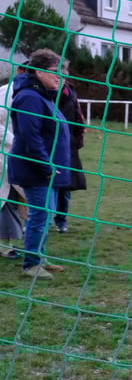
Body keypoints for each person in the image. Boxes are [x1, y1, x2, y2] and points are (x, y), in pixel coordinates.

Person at [8, 48, 71, 279]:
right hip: (37, 171)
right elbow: (30, 137)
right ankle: (31, 264)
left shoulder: (43, 96)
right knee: (39, 215)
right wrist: (46, 167)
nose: (59, 77)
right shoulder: (29, 98)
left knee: (47, 214)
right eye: (55, 71)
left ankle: (40, 257)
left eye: (62, 72)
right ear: (38, 71)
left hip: (50, 171)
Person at [53, 61, 86, 233]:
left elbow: (78, 117)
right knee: (47, 185)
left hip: (67, 147)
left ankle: (61, 219)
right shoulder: (43, 94)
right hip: (49, 144)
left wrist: (77, 139)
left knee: (65, 186)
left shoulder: (70, 93)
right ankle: (40, 218)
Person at [0, 63, 27, 259]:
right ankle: (5, 245)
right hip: (5, 153)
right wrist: (14, 141)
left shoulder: (31, 95)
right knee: (5, 196)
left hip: (21, 154)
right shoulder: (6, 93)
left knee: (19, 197)